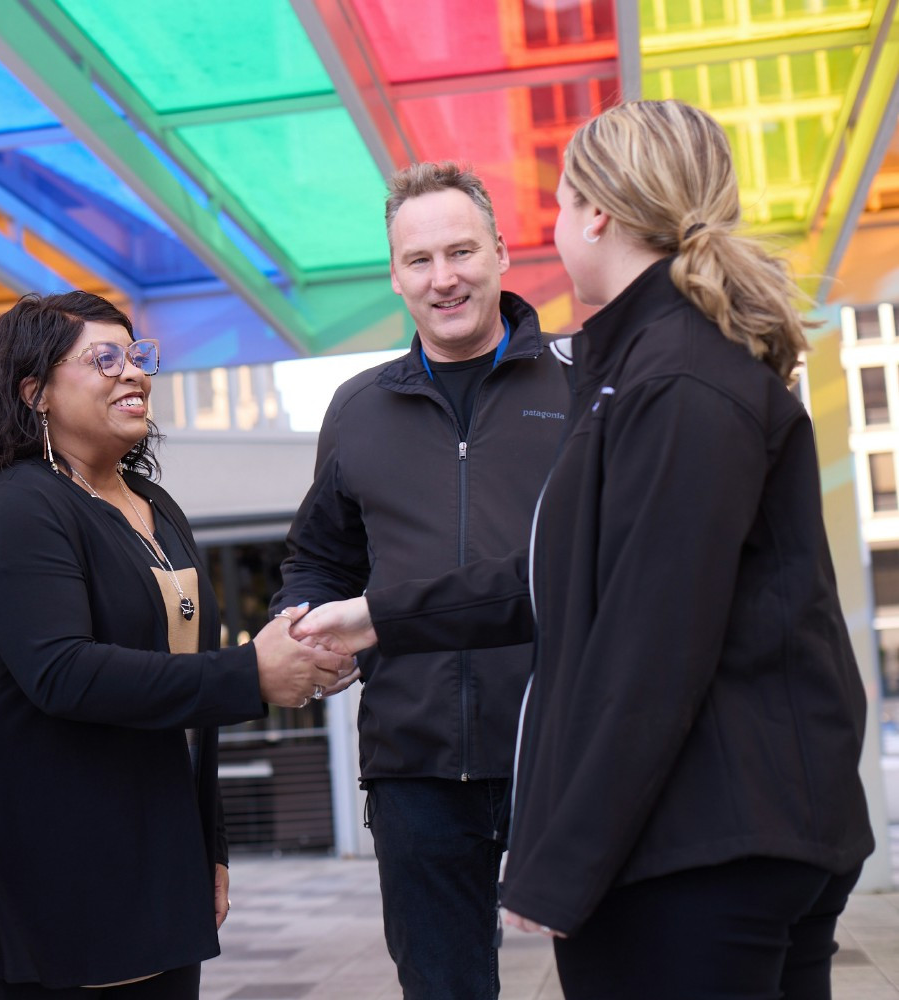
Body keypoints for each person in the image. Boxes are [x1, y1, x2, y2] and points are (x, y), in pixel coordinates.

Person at [292, 99, 874, 998]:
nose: (445, 276)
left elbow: (650, 640)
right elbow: (564, 578)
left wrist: (564, 852)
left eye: (559, 204)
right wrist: (374, 616)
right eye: (420, 259)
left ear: (595, 214)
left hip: (701, 829)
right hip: (613, 804)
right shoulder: (650, 370)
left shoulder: (665, 381)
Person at [0, 291, 354, 999]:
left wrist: (209, 843)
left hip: (151, 827)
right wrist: (252, 673)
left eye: (137, 355)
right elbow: (64, 672)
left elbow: (179, 688)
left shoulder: (155, 506)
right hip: (37, 841)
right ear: (36, 392)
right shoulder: (14, 507)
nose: (133, 373)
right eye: (103, 358)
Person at [271, 162, 569, 998]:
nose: (445, 279)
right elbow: (319, 555)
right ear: (395, 276)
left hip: (555, 740)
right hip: (413, 763)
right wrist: (304, 627)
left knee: (615, 967)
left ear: (503, 253)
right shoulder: (357, 408)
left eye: (461, 251)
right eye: (419, 260)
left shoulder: (582, 391)